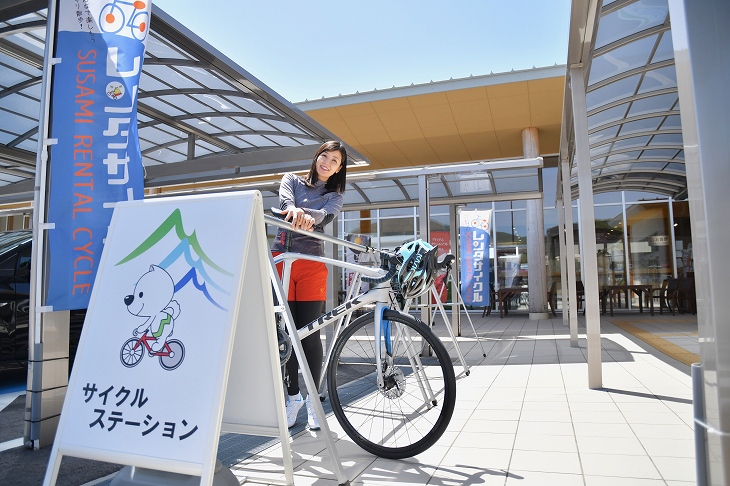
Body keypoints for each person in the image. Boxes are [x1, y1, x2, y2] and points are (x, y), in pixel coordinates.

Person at [271, 140, 347, 430]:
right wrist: (295, 211)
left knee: (310, 335)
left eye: (334, 161)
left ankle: (314, 401)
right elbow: (285, 203)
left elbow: (323, 217)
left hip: (311, 264)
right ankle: (293, 398)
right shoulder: (291, 179)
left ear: (339, 169)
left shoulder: (334, 196)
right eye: (324, 156)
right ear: (317, 157)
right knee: (285, 336)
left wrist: (305, 216)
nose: (327, 163)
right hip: (282, 259)